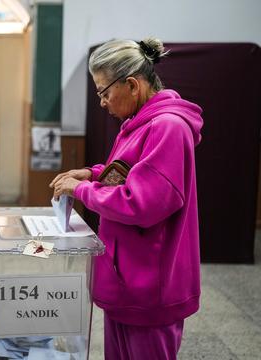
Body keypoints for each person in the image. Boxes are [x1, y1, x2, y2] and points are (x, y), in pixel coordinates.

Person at [50, 38, 202, 359]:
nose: (103, 102)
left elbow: (141, 203)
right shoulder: (135, 123)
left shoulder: (168, 127)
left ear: (132, 85)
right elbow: (126, 173)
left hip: (150, 286)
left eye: (104, 92)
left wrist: (81, 192)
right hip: (126, 279)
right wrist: (92, 174)